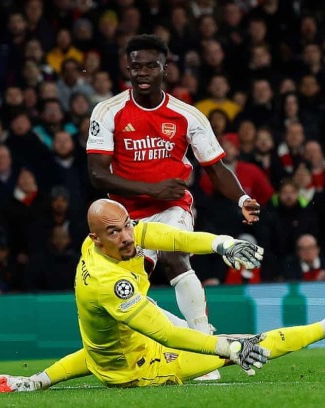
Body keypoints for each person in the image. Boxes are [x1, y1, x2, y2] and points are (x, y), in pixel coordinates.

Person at [0, 199, 325, 392]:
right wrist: (227, 350)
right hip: (139, 367)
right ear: (95, 239)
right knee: (251, 345)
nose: (127, 237)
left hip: (114, 346)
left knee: (102, 349)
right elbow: (165, 335)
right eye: (116, 233)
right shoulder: (107, 281)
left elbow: (171, 236)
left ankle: (31, 382)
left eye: (127, 227)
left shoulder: (109, 240)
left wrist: (222, 243)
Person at [86, 34, 260, 380]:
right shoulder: (108, 112)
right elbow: (97, 175)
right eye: (136, 66)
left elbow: (215, 166)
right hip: (125, 218)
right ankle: (184, 344)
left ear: (165, 67)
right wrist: (153, 188)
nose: (143, 72)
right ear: (128, 68)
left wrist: (241, 198)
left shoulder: (186, 115)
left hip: (173, 209)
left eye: (151, 65)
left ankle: (204, 344)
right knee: (130, 289)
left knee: (172, 254)